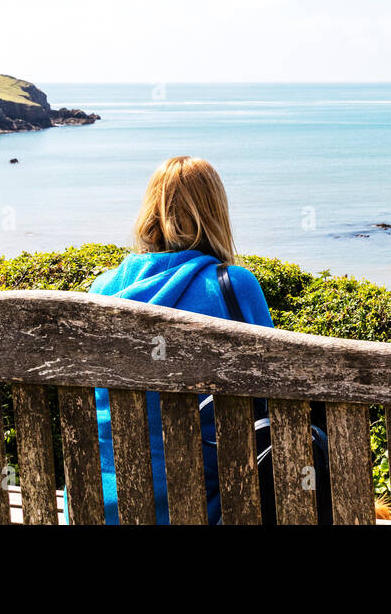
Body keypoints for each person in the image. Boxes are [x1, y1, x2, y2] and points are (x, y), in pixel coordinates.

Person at [85, 156, 273, 524]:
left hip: (99, 508)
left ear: (150, 211)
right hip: (202, 511)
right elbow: (272, 398)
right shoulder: (233, 286)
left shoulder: (103, 289)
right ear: (216, 213)